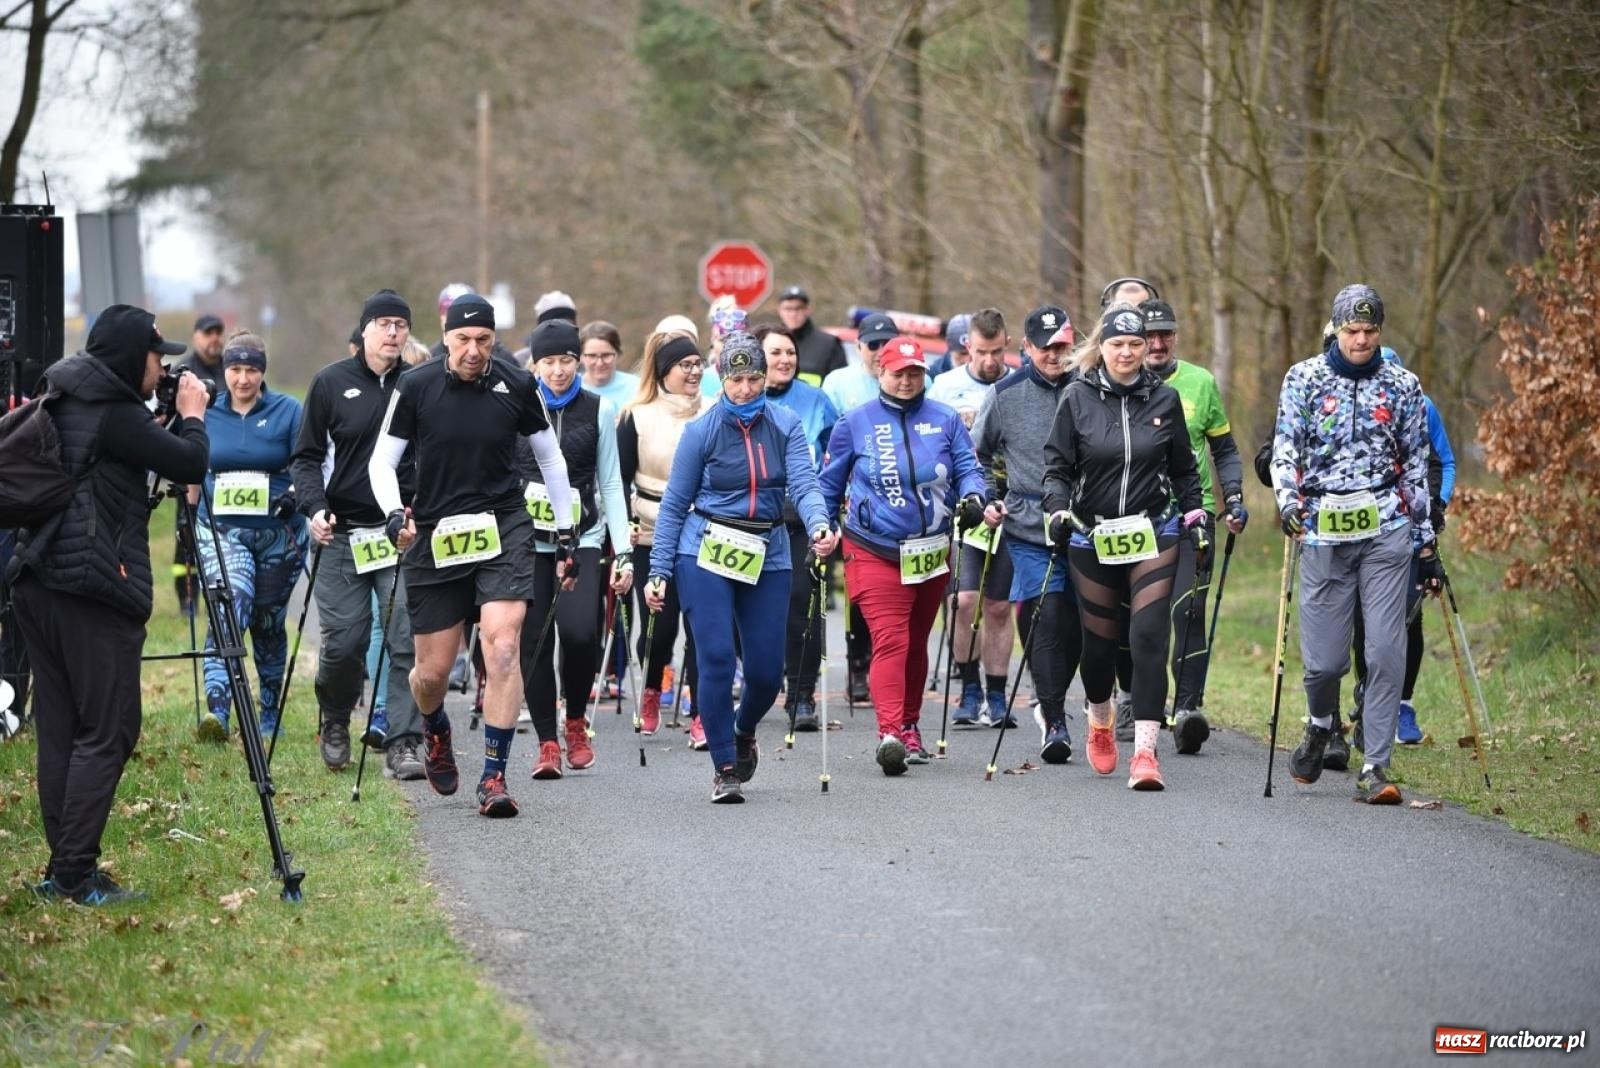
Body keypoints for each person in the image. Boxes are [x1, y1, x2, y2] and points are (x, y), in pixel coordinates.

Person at [13, 305, 209, 904]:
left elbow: (125, 454)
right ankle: (75, 875)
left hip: (37, 579)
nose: (163, 368)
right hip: (90, 589)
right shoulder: (115, 412)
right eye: (156, 356)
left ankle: (62, 872)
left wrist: (163, 420)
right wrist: (193, 416)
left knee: (61, 731)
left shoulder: (65, 392)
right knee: (108, 730)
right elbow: (190, 463)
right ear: (131, 356)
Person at [369, 293, 576, 818]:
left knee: (503, 647)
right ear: (446, 338)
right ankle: (435, 727)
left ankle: (493, 777)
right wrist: (393, 514)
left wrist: (566, 529)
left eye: (483, 340)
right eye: (462, 339)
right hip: (436, 532)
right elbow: (382, 462)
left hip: (503, 526)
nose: (473, 350)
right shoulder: (416, 386)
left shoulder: (517, 384)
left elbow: (550, 459)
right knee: (432, 674)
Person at [644, 331, 837, 802]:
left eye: (754, 379)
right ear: (722, 380)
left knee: (767, 672)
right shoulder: (702, 431)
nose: (746, 389)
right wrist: (659, 570)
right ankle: (725, 766)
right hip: (705, 548)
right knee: (714, 656)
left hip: (767, 548)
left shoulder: (786, 423)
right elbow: (675, 505)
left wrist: (819, 524)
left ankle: (743, 729)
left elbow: (804, 484)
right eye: (736, 380)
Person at [1273, 284, 1438, 805]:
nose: (1361, 340)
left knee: (1385, 650)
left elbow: (1416, 464)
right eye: (1352, 330)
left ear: (1380, 331)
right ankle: (1320, 723)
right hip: (1323, 528)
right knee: (1324, 663)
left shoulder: (1403, 385)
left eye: (1370, 331)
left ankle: (1375, 765)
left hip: (1386, 528)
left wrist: (1426, 542)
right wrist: (1288, 502)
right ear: (1336, 329)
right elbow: (1285, 449)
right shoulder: (1303, 378)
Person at [1042, 304, 1207, 790]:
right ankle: (1100, 718)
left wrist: (1195, 514)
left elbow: (1184, 469)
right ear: (1102, 347)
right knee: (1098, 647)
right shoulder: (1076, 397)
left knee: (1150, 636)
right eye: (1118, 344)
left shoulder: (1165, 399)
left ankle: (1145, 754)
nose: (1128, 353)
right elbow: (1057, 468)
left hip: (1154, 530)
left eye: (1136, 344)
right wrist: (1057, 509)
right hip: (1093, 535)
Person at [819, 336, 990, 773]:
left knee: (916, 640)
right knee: (891, 638)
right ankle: (890, 733)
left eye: (915, 373)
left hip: (931, 549)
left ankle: (910, 726)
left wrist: (974, 497)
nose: (908, 381)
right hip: (873, 547)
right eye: (899, 373)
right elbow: (828, 485)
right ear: (881, 371)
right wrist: (821, 526)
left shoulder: (945, 419)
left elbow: (969, 468)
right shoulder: (854, 422)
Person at [292, 290, 426, 778]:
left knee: (405, 638)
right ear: (365, 330)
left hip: (401, 536)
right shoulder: (330, 383)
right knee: (344, 644)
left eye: (400, 325)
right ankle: (335, 717)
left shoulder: (419, 385)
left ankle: (404, 741)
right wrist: (314, 508)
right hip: (343, 534)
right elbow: (306, 458)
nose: (392, 332)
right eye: (383, 323)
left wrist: (421, 511)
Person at [518, 320, 633, 779]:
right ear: (535, 364)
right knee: (534, 639)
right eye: (549, 362)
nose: (559, 371)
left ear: (579, 361)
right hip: (528, 540)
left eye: (567, 360)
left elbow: (611, 482)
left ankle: (576, 721)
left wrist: (623, 549)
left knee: (582, 632)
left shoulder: (599, 409)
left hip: (582, 537)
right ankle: (547, 741)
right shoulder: (518, 404)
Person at [1134, 299, 1247, 755]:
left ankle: (1187, 710)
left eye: (1165, 335)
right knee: (1146, 619)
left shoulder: (1200, 383)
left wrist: (1233, 495)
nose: (1158, 344)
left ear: (1176, 336)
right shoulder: (1120, 384)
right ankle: (1137, 699)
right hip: (1137, 522)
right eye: (1149, 336)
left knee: (1189, 610)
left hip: (1192, 517)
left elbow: (1225, 449)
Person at [974, 305, 1082, 759]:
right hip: (1029, 524)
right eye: (1045, 348)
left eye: (1062, 347)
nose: (1055, 356)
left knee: (1078, 627)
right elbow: (976, 455)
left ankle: (1052, 693)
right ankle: (1054, 719)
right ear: (1026, 347)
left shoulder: (1091, 387)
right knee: (1047, 613)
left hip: (1087, 525)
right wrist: (988, 496)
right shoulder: (1004, 394)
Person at [190, 331, 307, 743]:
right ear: (225, 370)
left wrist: (294, 497)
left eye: (251, 370)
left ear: (263, 372)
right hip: (222, 530)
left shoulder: (288, 410)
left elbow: (307, 464)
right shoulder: (207, 411)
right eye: (235, 369)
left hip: (278, 535)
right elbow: (191, 464)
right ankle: (218, 711)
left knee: (268, 623)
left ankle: (269, 711)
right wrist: (188, 514)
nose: (243, 379)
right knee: (230, 606)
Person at [1345, 345, 1457, 754]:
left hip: (1411, 528)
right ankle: (1369, 698)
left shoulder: (1422, 405)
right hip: (1366, 530)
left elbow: (1445, 462)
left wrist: (1437, 504)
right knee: (1365, 622)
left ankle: (1403, 707)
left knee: (1408, 618)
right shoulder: (1351, 402)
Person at [618, 328, 711, 746]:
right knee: (661, 623)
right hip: (651, 531)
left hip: (703, 530)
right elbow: (618, 479)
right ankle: (653, 687)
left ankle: (702, 709)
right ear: (663, 371)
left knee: (704, 625)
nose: (693, 372)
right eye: (684, 365)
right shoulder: (636, 415)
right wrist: (624, 527)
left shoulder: (714, 410)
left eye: (697, 364)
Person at [929, 308, 1015, 725]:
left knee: (998, 607)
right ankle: (968, 688)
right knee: (961, 602)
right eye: (981, 352)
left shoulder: (1018, 384)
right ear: (968, 347)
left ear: (1007, 345)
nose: (989, 361)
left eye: (997, 351)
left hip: (1009, 509)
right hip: (961, 511)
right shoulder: (944, 386)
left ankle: (996, 695)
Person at [756, 322, 839, 732]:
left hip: (803, 519)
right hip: (750, 521)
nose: (786, 359)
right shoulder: (740, 401)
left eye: (790, 352)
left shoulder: (816, 401)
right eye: (776, 352)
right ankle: (757, 683)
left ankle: (801, 694)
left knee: (803, 603)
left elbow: (837, 458)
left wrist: (831, 515)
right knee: (750, 608)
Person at [821, 310, 897, 700]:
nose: (881, 351)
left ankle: (885, 661)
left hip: (897, 498)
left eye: (888, 343)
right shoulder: (839, 383)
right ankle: (857, 662)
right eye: (873, 345)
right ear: (859, 346)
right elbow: (828, 440)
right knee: (859, 585)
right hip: (854, 495)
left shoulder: (913, 378)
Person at [171, 313, 226, 615]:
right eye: (208, 332)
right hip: (190, 463)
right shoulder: (184, 372)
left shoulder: (231, 369)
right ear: (196, 336)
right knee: (187, 532)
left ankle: (218, 593)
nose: (214, 338)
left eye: (218, 332)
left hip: (223, 464)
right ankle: (187, 597)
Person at [776, 284, 849, 387]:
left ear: (808, 310)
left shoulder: (829, 344)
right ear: (779, 311)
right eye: (788, 309)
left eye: (798, 308)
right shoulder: (770, 343)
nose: (793, 314)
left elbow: (841, 385)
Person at [577, 321, 640, 408]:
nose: (599, 363)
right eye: (592, 356)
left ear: (618, 354)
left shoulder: (637, 387)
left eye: (606, 355)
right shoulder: (570, 389)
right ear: (580, 357)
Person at [925, 312, 971, 378]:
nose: (968, 360)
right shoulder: (933, 374)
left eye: (973, 353)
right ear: (950, 349)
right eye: (963, 353)